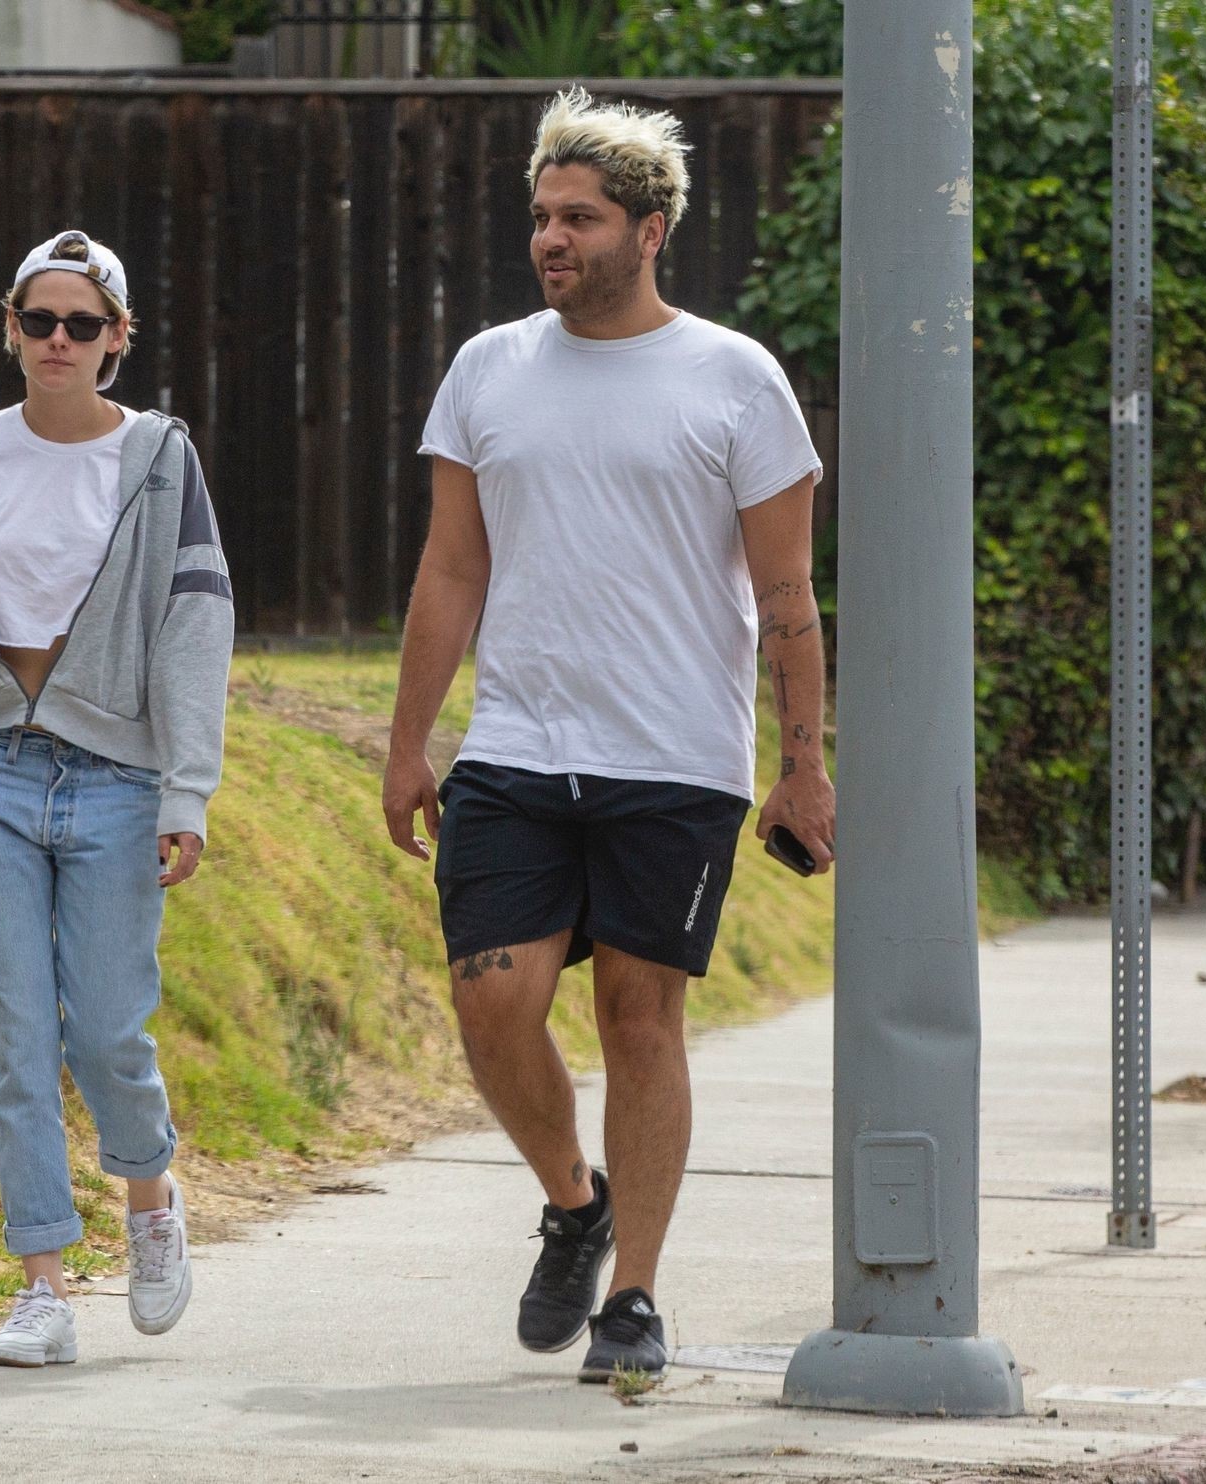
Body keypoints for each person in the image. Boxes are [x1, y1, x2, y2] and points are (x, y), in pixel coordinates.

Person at [382, 88, 835, 1384]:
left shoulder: (735, 379)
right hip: (518, 746)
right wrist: (409, 742)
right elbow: (451, 569)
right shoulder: (489, 369)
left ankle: (632, 1292)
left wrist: (802, 766)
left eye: (578, 217)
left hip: (676, 757)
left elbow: (788, 594)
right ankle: (573, 1202)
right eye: (541, 216)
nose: (550, 238)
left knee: (641, 1020)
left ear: (649, 230)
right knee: (492, 1003)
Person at [0, 229, 234, 1368]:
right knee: (15, 1038)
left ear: (118, 337)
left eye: (83, 324)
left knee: (111, 1032)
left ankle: (151, 1198)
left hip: (121, 779)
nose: (59, 341)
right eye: (39, 320)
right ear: (12, 328)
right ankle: (41, 1287)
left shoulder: (160, 458)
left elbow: (195, 627)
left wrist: (187, 791)